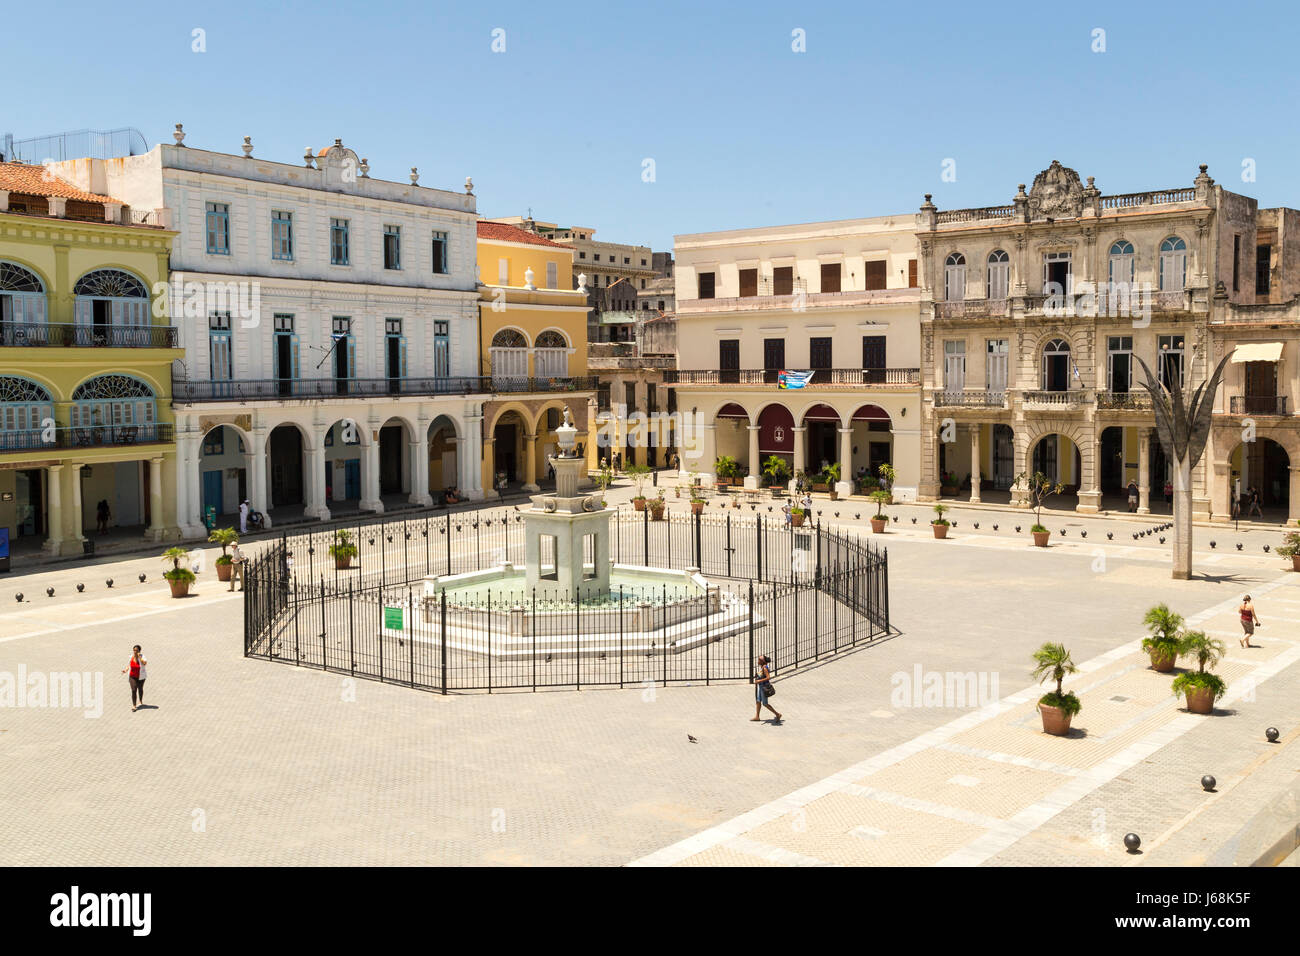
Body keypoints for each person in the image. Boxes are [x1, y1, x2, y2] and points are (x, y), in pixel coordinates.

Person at [750, 655, 782, 722]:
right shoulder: (762, 667)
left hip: (764, 687)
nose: (758, 661)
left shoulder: (764, 668)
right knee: (758, 701)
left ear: (762, 661)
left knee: (765, 703)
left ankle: (777, 714)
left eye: (759, 659)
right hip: (761, 687)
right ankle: (757, 716)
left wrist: (759, 681)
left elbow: (768, 677)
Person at [122, 645, 147, 712]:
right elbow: (129, 665)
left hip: (141, 677)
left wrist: (140, 657)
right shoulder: (131, 657)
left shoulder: (142, 657)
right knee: (133, 690)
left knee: (140, 689)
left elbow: (144, 663)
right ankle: (134, 705)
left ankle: (140, 700)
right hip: (132, 676)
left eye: (136, 650)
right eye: (134, 650)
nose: (135, 652)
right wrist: (125, 670)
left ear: (139, 651)